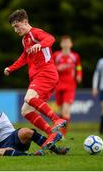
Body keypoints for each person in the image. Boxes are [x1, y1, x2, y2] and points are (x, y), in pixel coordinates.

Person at [4, 9, 66, 138]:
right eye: (13, 28)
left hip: (46, 73)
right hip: (38, 77)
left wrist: (41, 44)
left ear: (25, 22)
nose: (16, 30)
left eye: (17, 26)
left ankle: (57, 120)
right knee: (25, 111)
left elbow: (50, 38)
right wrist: (11, 68)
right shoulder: (25, 40)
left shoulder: (35, 33)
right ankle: (52, 134)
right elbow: (24, 57)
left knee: (28, 98)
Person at [0, 97, 69, 156]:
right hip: (5, 147)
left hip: (15, 137)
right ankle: (31, 156)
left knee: (25, 131)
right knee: (0, 152)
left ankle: (57, 150)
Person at [53, 35, 82, 137]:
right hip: (58, 85)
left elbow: (78, 66)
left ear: (71, 44)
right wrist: (58, 68)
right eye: (64, 42)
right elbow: (50, 67)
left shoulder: (75, 56)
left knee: (66, 110)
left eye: (67, 42)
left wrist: (79, 75)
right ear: (61, 44)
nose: (65, 44)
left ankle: (62, 135)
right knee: (60, 111)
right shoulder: (56, 55)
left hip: (70, 85)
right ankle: (60, 131)